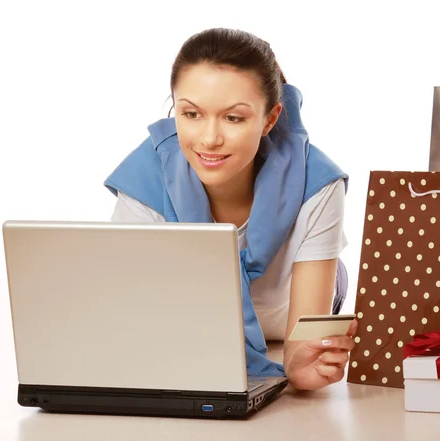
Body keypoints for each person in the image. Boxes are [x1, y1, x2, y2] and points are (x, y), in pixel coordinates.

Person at [104, 28, 357, 391]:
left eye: (233, 118)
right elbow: (136, 319)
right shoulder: (145, 180)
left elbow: (301, 345)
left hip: (288, 305)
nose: (209, 138)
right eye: (191, 114)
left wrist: (301, 369)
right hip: (201, 320)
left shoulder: (317, 183)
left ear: (269, 120)